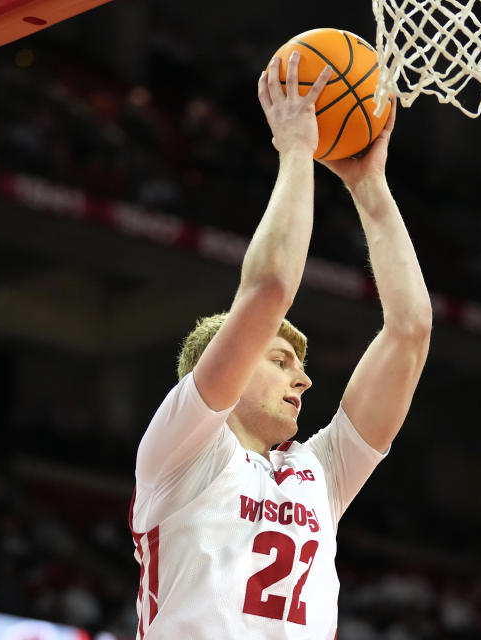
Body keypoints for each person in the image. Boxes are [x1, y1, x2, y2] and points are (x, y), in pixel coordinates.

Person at [129, 50, 432, 638]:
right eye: (280, 359)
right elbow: (269, 288)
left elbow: (411, 330)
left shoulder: (318, 473)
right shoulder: (182, 451)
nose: (305, 379)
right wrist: (296, 149)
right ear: (228, 367)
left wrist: (370, 187)